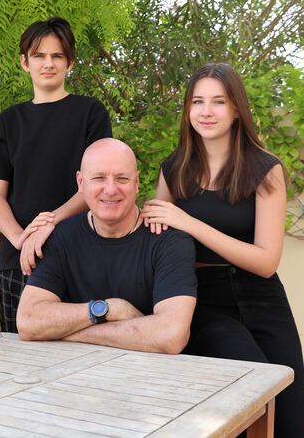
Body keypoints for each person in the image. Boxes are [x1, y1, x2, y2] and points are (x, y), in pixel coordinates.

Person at [141, 62, 304, 436]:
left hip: (263, 299)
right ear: (187, 110)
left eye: (218, 101)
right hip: (202, 301)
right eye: (197, 101)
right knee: (248, 393)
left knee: (288, 415)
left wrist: (190, 223)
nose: (206, 111)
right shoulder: (173, 171)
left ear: (236, 110)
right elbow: (155, 240)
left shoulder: (265, 170)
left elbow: (266, 261)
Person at [0, 17, 112, 333]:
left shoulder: (90, 113)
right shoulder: (9, 122)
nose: (48, 64)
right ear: (24, 62)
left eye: (57, 56)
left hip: (78, 252)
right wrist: (22, 238)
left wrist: (48, 223)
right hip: (21, 260)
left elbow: (96, 185)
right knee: (24, 357)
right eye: (39, 55)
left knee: (86, 352)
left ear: (70, 62)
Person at [17, 138, 197, 354]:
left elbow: (170, 336)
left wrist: (68, 332)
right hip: (73, 371)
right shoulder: (60, 238)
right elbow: (28, 322)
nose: (110, 190)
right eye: (99, 178)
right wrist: (108, 309)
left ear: (137, 183)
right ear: (81, 183)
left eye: (122, 178)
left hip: (153, 377)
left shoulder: (170, 241)